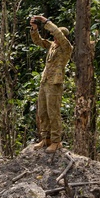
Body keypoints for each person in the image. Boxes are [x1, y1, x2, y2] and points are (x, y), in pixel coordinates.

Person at [30, 15, 72, 153]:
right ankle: (45, 138)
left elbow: (58, 35)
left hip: (55, 83)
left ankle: (56, 141)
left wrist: (46, 21)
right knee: (42, 111)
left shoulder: (66, 47)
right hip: (45, 80)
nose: (54, 39)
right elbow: (39, 42)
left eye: (56, 37)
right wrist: (34, 29)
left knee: (53, 112)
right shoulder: (53, 46)